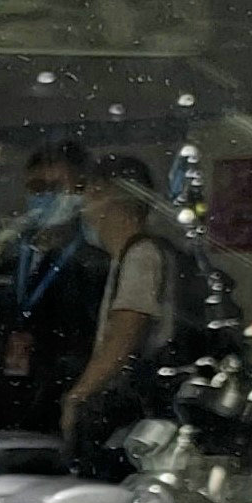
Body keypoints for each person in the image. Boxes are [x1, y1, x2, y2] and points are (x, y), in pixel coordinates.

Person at [0, 139, 110, 434]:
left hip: (62, 404)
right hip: (4, 398)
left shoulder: (95, 262)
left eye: (55, 188)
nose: (45, 197)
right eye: (37, 189)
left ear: (80, 190)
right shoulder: (7, 254)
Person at [63, 153, 177, 465]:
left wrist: (79, 396)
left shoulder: (141, 255)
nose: (83, 207)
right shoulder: (126, 257)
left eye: (88, 193)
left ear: (106, 195)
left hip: (132, 416)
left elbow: (124, 336)